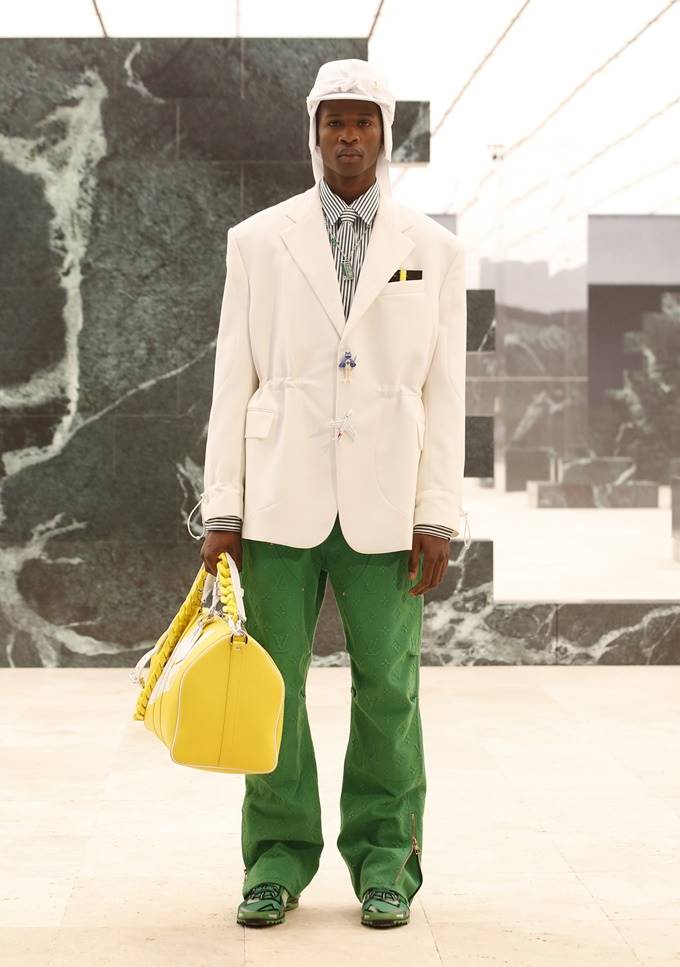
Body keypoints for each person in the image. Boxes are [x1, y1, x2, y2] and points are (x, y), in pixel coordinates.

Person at [194, 58, 470, 929]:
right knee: (271, 688)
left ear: (384, 134)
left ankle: (387, 862)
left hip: (389, 504)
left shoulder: (434, 250)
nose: (348, 137)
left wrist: (437, 512)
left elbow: (445, 392)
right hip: (279, 498)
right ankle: (275, 861)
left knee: (389, 691)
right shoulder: (257, 240)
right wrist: (223, 508)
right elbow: (231, 380)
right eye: (334, 122)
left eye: (363, 122)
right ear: (313, 133)